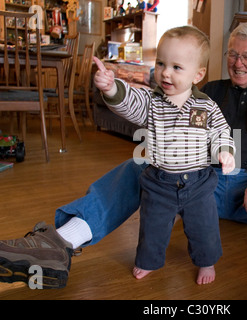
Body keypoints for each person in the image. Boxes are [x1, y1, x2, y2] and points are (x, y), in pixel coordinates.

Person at [0, 22, 247, 299]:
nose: (238, 62)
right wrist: (113, 88)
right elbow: (145, 103)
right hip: (205, 183)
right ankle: (59, 244)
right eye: (233, 54)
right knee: (140, 165)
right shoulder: (207, 91)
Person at [93, 25, 235, 284]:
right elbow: (130, 102)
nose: (165, 73)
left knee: (204, 227)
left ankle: (206, 262)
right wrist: (111, 89)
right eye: (160, 63)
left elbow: (221, 131)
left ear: (198, 74)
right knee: (152, 227)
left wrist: (225, 151)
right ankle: (149, 261)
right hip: (160, 182)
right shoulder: (152, 102)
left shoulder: (205, 106)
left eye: (176, 67)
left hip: (199, 182)